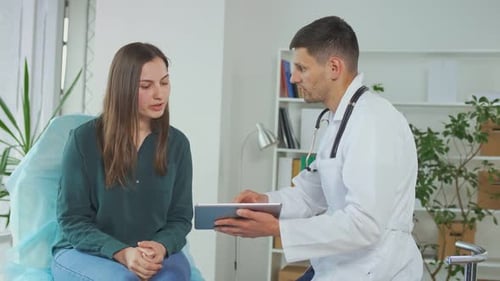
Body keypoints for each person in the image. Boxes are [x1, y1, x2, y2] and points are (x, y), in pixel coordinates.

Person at [215, 16, 423, 281]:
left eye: (301, 68)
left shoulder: (373, 122)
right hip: (340, 264)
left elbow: (365, 224)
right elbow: (309, 194)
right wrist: (263, 203)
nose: (293, 77)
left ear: (334, 67)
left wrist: (278, 228)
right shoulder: (339, 120)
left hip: (375, 268)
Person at [51, 42, 193, 281]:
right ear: (123, 88)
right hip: (86, 251)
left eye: (164, 82)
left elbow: (180, 218)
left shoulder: (177, 144)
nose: (159, 94)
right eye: (146, 86)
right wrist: (122, 253)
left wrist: (160, 246)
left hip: (152, 252)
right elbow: (72, 220)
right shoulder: (84, 140)